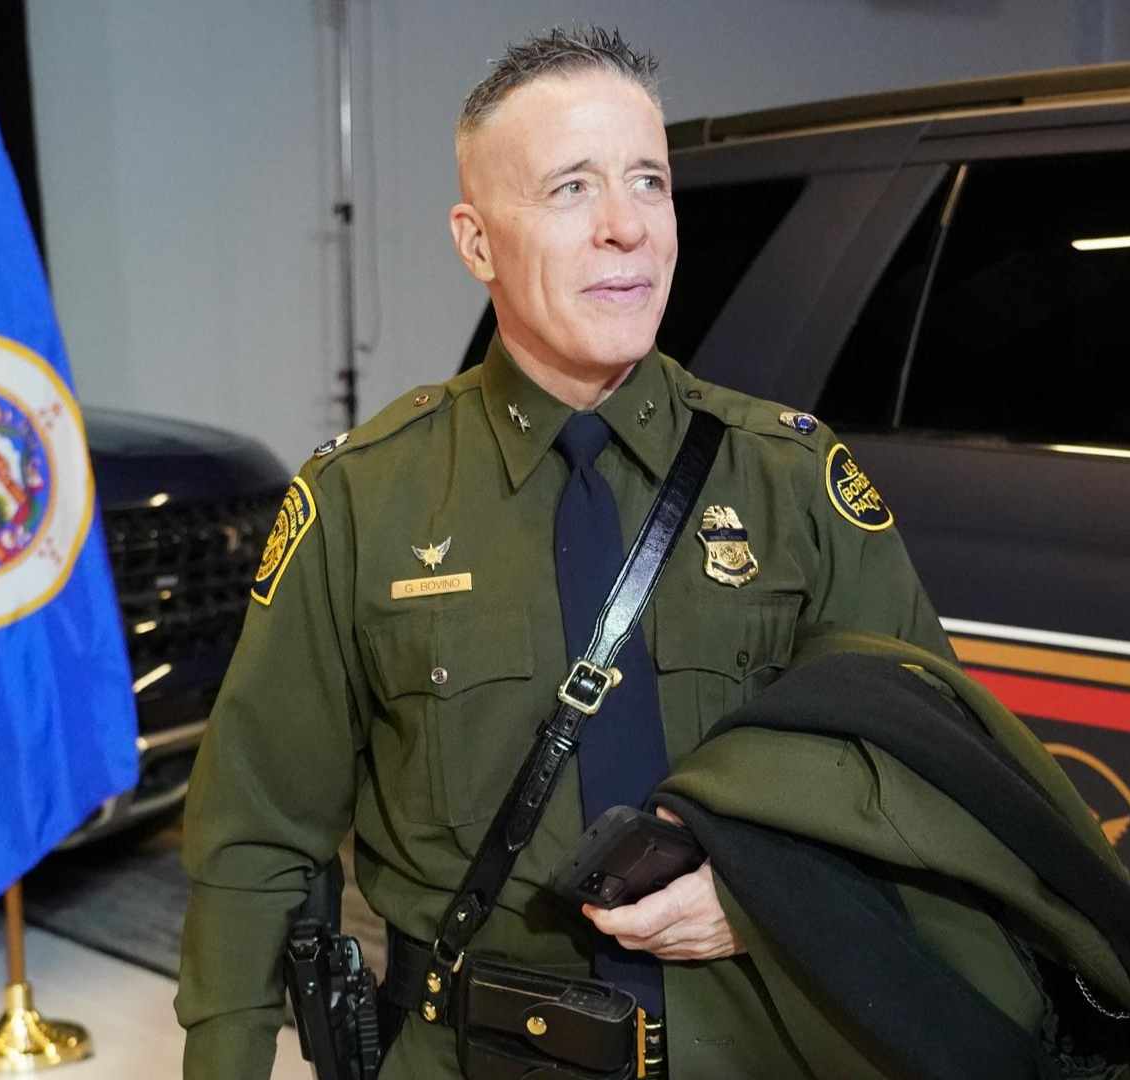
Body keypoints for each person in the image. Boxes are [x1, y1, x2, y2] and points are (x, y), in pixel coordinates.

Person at [174, 26, 949, 1079]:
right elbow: (257, 839)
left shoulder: (792, 482)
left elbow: (927, 770)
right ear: (476, 242)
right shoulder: (364, 500)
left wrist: (778, 890)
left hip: (754, 1048)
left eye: (649, 182)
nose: (627, 226)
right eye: (572, 188)